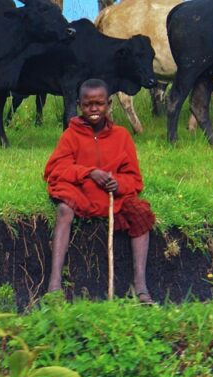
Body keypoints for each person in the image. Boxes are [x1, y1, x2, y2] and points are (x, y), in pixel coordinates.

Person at [43, 78, 156, 303]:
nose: (94, 109)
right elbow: (55, 169)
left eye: (99, 103)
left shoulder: (122, 136)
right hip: (82, 191)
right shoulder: (71, 135)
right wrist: (88, 172)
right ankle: (54, 284)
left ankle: (141, 286)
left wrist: (119, 184)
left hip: (112, 197)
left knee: (141, 213)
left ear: (109, 104)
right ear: (79, 105)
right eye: (88, 104)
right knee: (64, 209)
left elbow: (134, 179)